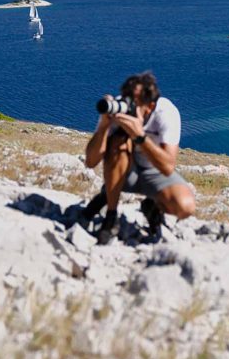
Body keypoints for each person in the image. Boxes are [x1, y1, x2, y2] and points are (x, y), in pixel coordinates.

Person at [77, 71, 196, 245]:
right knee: (117, 141)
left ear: (150, 106)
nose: (130, 105)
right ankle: (111, 215)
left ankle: (152, 206)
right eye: (128, 98)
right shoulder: (118, 108)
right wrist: (104, 125)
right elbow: (91, 161)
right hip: (124, 170)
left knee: (185, 206)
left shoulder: (166, 113)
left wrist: (139, 136)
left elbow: (167, 167)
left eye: (136, 102)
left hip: (154, 172)